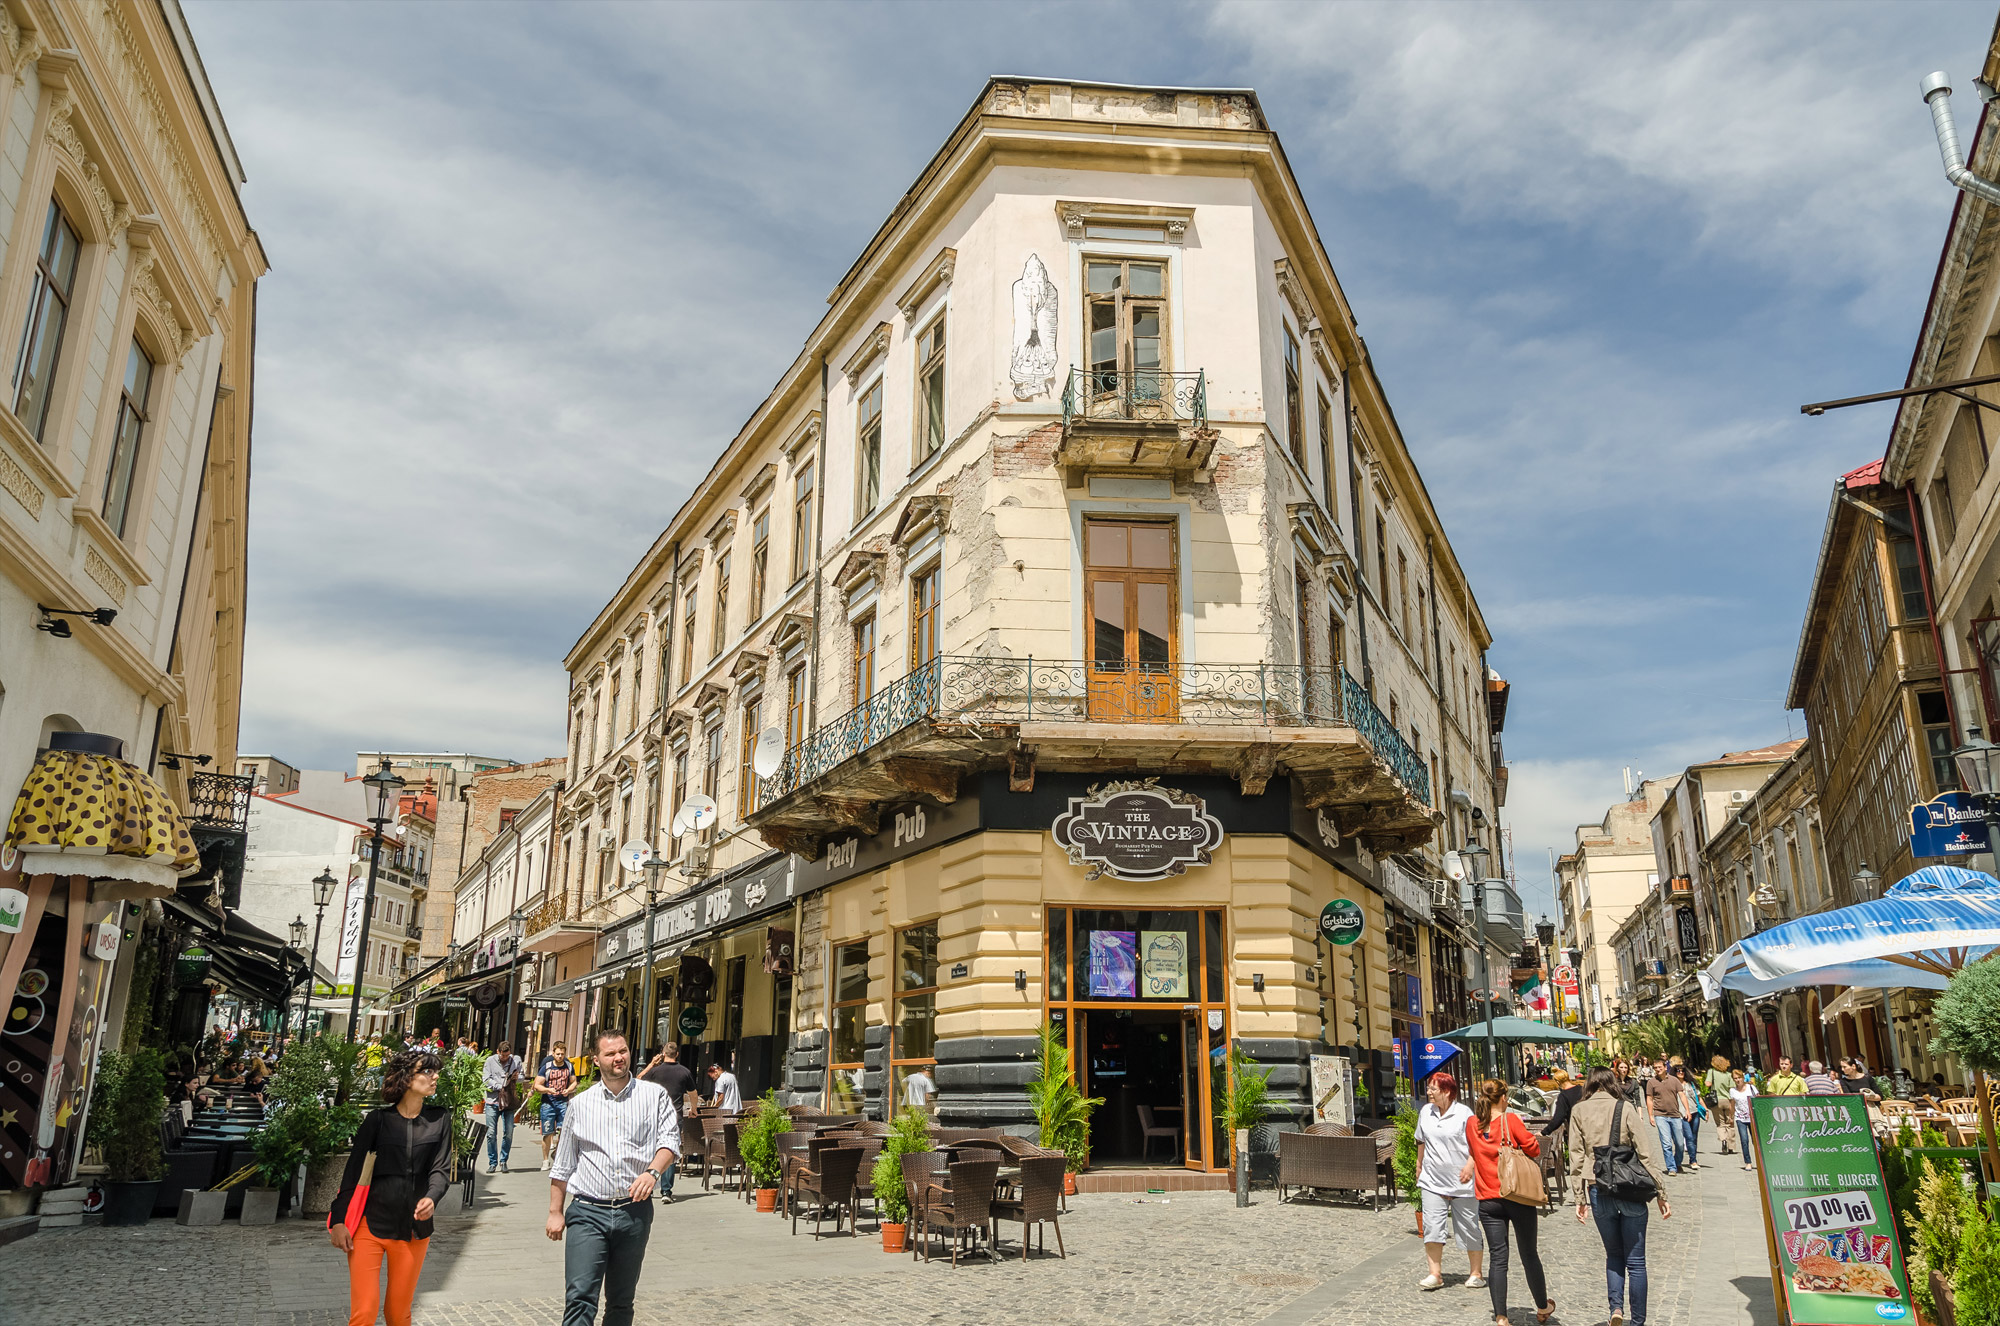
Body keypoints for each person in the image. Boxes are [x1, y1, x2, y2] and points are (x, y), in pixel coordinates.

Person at [546, 1028, 679, 1326]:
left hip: (634, 1212)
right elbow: (564, 1162)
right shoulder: (581, 1104)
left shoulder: (654, 1095)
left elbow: (670, 1141)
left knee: (621, 1300)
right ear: (597, 1060)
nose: (619, 1058)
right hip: (587, 1212)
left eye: (623, 1051)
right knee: (580, 1296)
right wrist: (555, 1212)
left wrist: (652, 1172)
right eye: (610, 1053)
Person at [329, 1049, 452, 1326]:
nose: (435, 1077)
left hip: (413, 1230)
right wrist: (338, 1221)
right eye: (427, 1071)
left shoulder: (440, 1118)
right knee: (364, 1313)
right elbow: (352, 1174)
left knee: (399, 1314)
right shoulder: (377, 1120)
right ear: (408, 1078)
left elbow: (440, 1170)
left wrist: (432, 1198)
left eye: (437, 1072)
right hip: (367, 1227)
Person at [1569, 1066, 1672, 1326]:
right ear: (1612, 1082)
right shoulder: (1624, 1107)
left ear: (1590, 1084)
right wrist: (1661, 1191)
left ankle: (1616, 1309)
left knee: (1613, 1255)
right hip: (1630, 1189)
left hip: (1597, 1187)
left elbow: (1576, 1156)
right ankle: (1637, 1322)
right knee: (1636, 1262)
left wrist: (1579, 1198)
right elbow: (1645, 1152)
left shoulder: (1579, 1110)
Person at [1466, 1078, 1554, 1326]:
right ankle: (1542, 1306)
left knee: (1498, 1258)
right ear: (1504, 1097)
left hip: (1487, 1199)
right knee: (1529, 1254)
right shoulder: (1511, 1120)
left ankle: (1501, 1317)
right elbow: (1534, 1149)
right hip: (1516, 1195)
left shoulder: (1472, 1124)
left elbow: (1473, 1150)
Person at [1414, 1072, 1486, 1292]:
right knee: (1432, 1227)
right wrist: (1419, 1166)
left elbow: (1477, 1143)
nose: (1429, 1093)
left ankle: (1476, 1273)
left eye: (1433, 1089)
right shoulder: (1426, 1112)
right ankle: (1435, 1274)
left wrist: (1470, 1165)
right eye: (1428, 1088)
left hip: (1462, 1182)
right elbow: (1421, 1140)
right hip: (1432, 1180)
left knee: (1469, 1227)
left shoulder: (1464, 1114)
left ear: (1446, 1091)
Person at [637, 1045, 695, 1200]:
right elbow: (693, 1093)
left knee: (650, 1149)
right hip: (675, 1117)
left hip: (654, 1116)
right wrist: (693, 1109)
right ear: (677, 1054)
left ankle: (647, 1187)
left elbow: (638, 1080)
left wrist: (651, 1064)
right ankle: (666, 1191)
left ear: (663, 1054)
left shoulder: (655, 1071)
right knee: (669, 1150)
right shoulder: (684, 1071)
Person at [534, 1041, 576, 1172]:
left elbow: (574, 1082)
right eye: (558, 1054)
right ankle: (545, 1160)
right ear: (553, 1053)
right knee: (547, 1133)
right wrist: (548, 1090)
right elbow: (537, 1085)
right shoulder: (546, 1067)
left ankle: (558, 1154)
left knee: (565, 1131)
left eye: (562, 1054)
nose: (560, 1057)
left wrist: (569, 1090)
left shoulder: (568, 1066)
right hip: (548, 1103)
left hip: (563, 1102)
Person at [1643, 1060, 1689, 1175]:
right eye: (1655, 1068)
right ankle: (1671, 1167)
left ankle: (1677, 1162)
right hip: (1660, 1115)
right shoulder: (1651, 1082)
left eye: (1659, 1067)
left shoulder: (1674, 1080)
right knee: (1666, 1143)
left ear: (1665, 1067)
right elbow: (1649, 1099)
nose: (1658, 1069)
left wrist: (1687, 1110)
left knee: (1680, 1143)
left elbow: (1682, 1095)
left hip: (1675, 1115)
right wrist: (1650, 1115)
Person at [483, 1042, 523, 1173]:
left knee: (509, 1132)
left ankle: (503, 1160)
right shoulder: (490, 1061)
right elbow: (486, 1079)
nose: (505, 1058)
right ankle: (492, 1162)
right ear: (498, 1052)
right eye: (502, 1055)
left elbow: (522, 1076)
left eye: (507, 1055)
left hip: (508, 1102)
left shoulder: (515, 1060)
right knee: (491, 1133)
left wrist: (517, 1078)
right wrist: (500, 1086)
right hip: (492, 1101)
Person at [1728, 1070, 1758, 1171]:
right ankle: (1748, 1162)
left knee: (1756, 1141)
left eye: (1739, 1078)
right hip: (1740, 1118)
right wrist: (1731, 1117)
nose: (1737, 1080)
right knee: (1744, 1140)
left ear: (1743, 1078)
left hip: (1753, 1117)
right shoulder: (1733, 1091)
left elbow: (1758, 1100)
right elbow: (1732, 1104)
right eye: (1735, 1078)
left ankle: (1760, 1161)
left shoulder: (1751, 1088)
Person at [1704, 1057, 1735, 1155]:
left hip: (1716, 1100)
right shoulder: (1729, 1075)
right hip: (1728, 1100)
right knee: (1730, 1123)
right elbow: (1732, 1088)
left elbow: (1707, 1084)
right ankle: (1731, 1146)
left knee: (1720, 1123)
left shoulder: (1711, 1072)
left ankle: (1724, 1140)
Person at [1537, 1069, 1580, 1140]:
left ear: (1557, 1082)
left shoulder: (1563, 1096)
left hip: (1575, 1130)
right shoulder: (1582, 1089)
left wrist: (1544, 1132)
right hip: (1589, 1127)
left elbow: (1558, 1118)